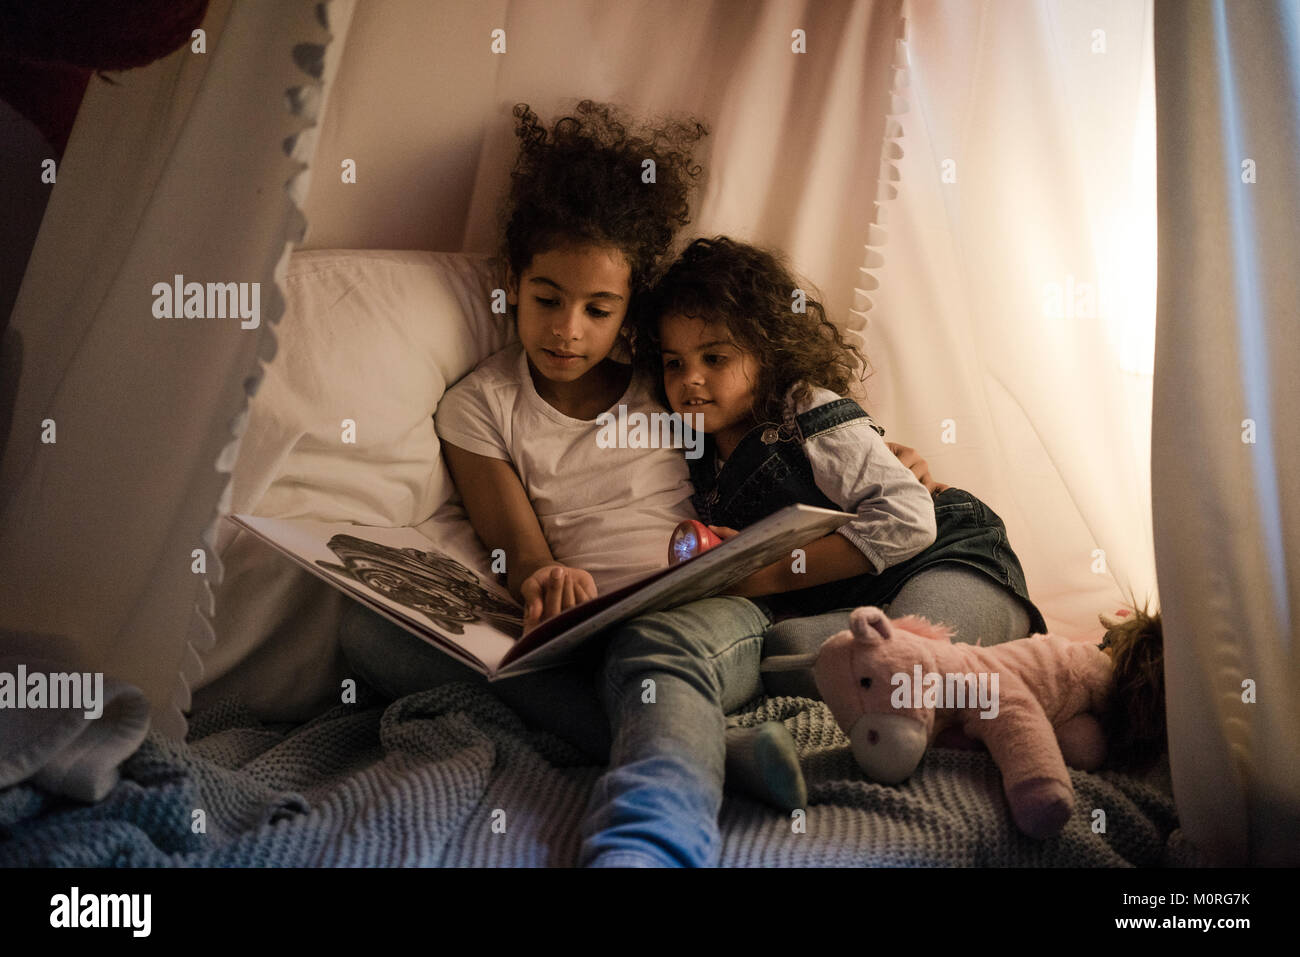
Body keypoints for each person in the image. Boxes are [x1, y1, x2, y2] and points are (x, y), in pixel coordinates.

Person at [635, 236, 1049, 704]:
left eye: (715, 358)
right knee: (784, 656)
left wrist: (764, 574)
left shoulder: (806, 411)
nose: (690, 378)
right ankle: (935, 691)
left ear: (768, 357)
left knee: (911, 654)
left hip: (946, 558)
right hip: (858, 607)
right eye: (674, 362)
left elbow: (909, 519)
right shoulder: (694, 459)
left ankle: (983, 678)